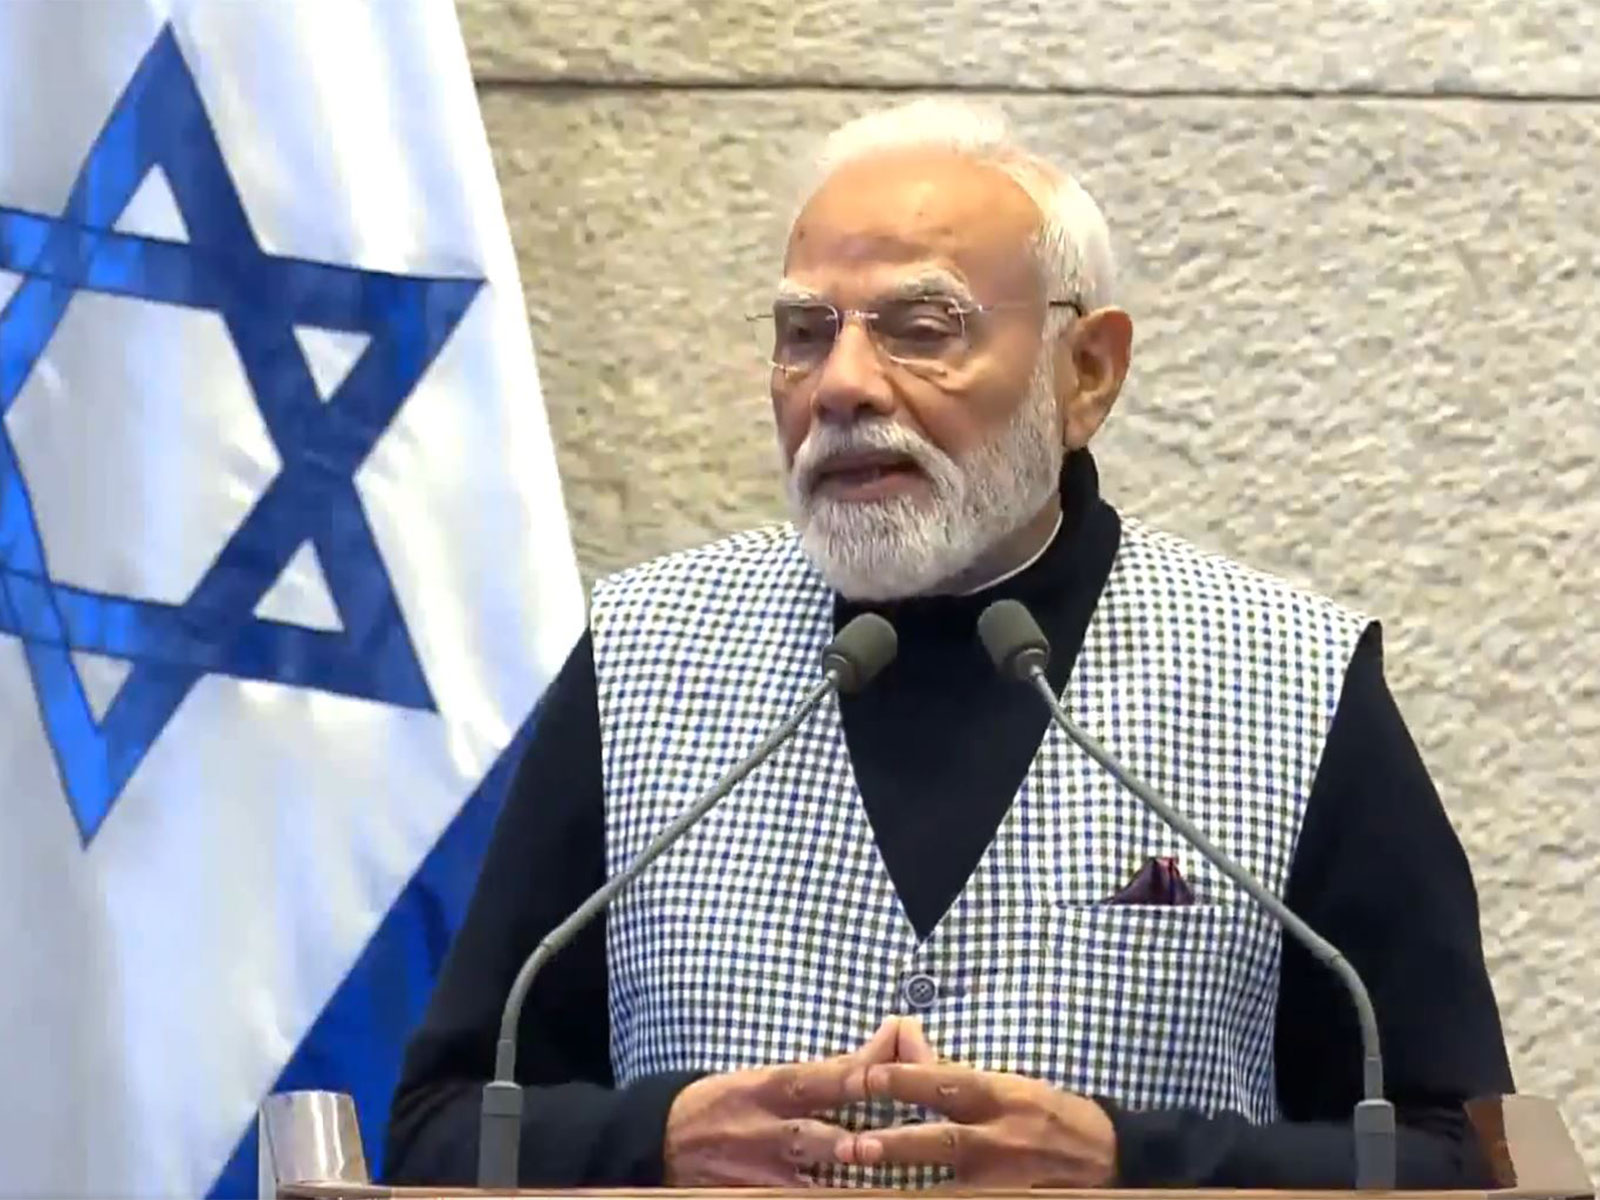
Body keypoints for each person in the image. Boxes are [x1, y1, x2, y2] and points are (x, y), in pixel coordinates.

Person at [383, 98, 1512, 1190]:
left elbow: (1457, 1152)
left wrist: (1129, 1166)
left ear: (1087, 373)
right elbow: (440, 1129)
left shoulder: (1287, 679)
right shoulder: (645, 653)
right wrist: (663, 1138)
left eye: (922, 331)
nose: (842, 386)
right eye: (803, 334)